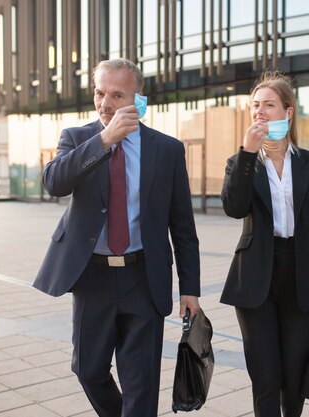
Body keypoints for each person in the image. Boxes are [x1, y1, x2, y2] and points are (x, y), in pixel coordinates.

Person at [33, 58, 201, 417]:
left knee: (142, 383)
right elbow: (53, 183)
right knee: (88, 369)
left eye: (116, 94)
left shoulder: (167, 150)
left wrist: (191, 288)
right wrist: (105, 139)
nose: (105, 103)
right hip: (91, 275)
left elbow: (183, 226)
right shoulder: (77, 138)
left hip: (144, 276)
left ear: (138, 99)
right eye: (99, 93)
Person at [220, 71, 309, 417]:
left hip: (302, 275)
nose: (259, 111)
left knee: (295, 373)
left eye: (268, 105)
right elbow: (234, 208)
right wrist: (247, 153)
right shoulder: (240, 162)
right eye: (255, 105)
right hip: (256, 277)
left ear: (288, 112)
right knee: (265, 374)